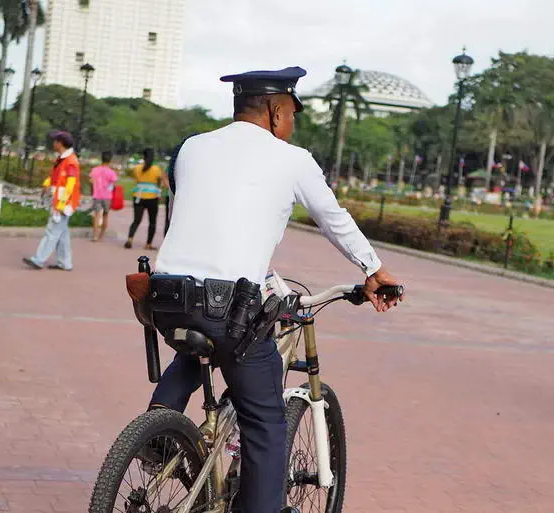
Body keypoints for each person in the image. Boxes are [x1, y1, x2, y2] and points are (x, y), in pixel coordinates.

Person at [149, 67, 403, 513]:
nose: (290, 126)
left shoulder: (190, 147)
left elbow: (198, 215)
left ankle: (155, 433)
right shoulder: (292, 159)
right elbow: (333, 218)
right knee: (265, 422)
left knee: (193, 350)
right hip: (227, 307)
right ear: (274, 109)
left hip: (164, 296)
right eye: (291, 115)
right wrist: (373, 268)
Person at [23, 130, 81, 271]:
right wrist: (47, 184)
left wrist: (61, 204)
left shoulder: (70, 161)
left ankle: (38, 260)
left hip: (63, 203)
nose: (53, 143)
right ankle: (65, 263)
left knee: (52, 231)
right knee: (62, 234)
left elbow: (70, 184)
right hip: (60, 200)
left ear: (60, 143)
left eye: (55, 140)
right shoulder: (63, 159)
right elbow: (56, 177)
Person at [124, 147, 163, 250]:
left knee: (136, 220)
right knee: (152, 222)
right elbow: (159, 181)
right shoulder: (156, 169)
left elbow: (135, 178)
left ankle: (130, 239)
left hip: (139, 196)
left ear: (143, 157)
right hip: (152, 197)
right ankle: (148, 244)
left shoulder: (137, 168)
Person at [89, 151, 118, 242]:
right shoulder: (111, 172)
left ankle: (95, 236)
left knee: (97, 215)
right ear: (110, 160)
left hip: (97, 195)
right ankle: (101, 235)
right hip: (107, 196)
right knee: (106, 215)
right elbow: (114, 185)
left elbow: (91, 181)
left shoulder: (95, 170)